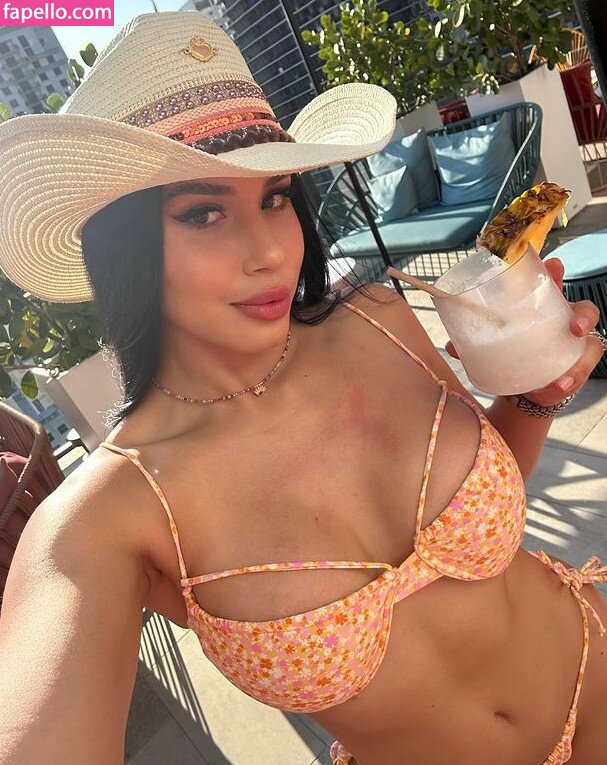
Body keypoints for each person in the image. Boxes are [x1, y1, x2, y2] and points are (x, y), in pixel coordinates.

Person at [0, 11, 606, 765]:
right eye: (203, 212)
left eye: (275, 196)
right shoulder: (110, 515)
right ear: (121, 247)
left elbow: (487, 502)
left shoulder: (380, 317)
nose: (267, 251)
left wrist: (536, 395)